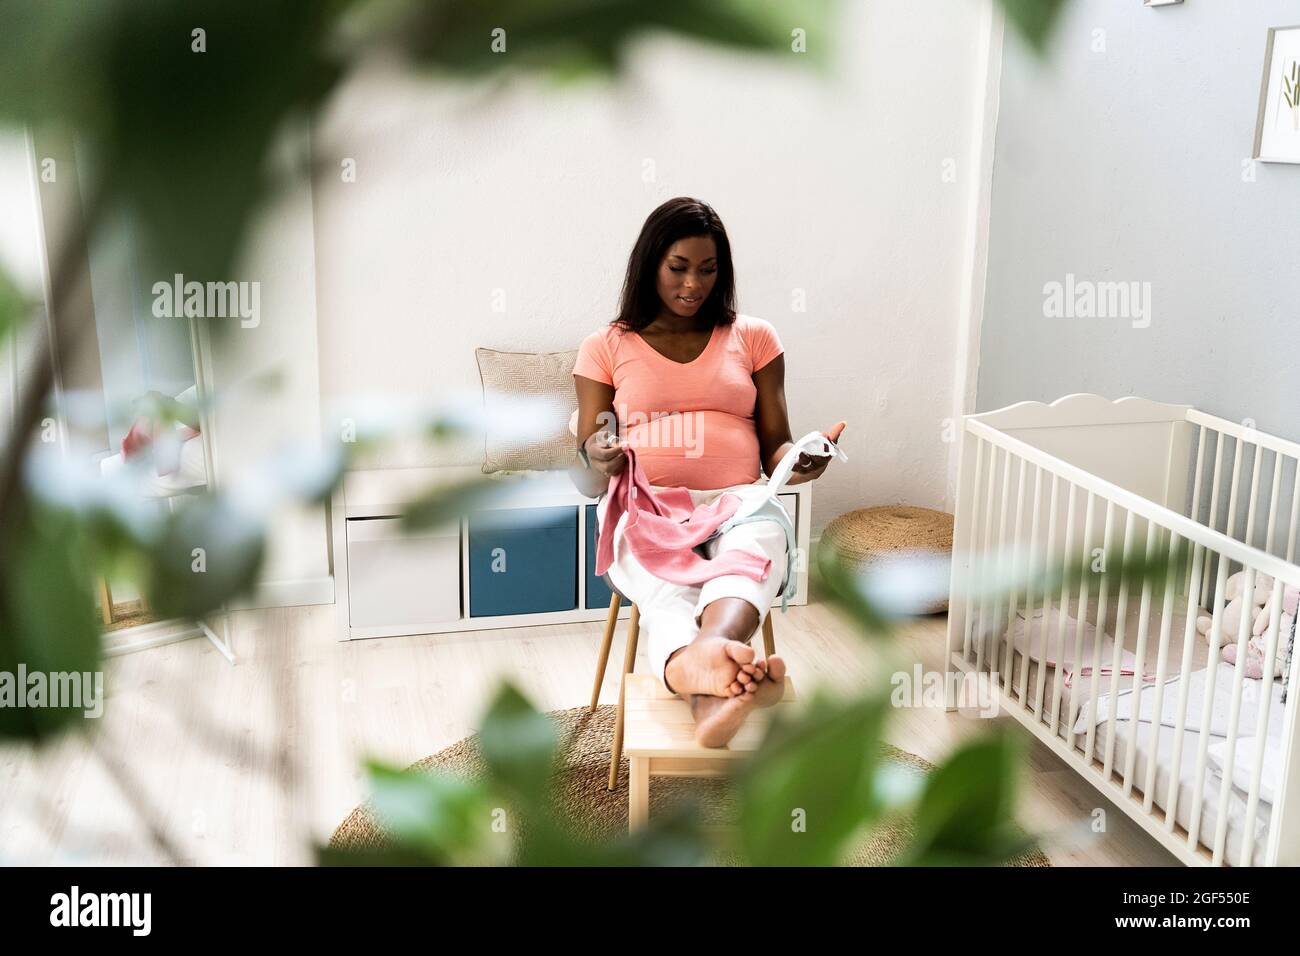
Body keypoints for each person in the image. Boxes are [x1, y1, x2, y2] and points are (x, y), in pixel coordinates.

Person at [571, 196, 845, 748]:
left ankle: (705, 668)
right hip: (646, 505)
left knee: (755, 550)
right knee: (666, 585)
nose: (693, 284)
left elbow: (775, 447)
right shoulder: (606, 346)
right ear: (650, 264)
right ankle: (715, 680)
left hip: (738, 501)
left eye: (708, 269)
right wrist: (596, 458)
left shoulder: (755, 338)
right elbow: (588, 473)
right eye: (678, 268)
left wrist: (800, 463)